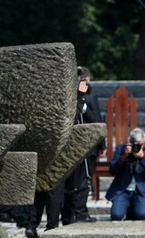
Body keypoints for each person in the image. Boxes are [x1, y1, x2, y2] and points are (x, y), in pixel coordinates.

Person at [61, 66, 103, 225]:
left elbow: (97, 120)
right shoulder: (71, 98)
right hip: (72, 147)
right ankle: (70, 213)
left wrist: (101, 145)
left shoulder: (91, 97)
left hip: (88, 146)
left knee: (84, 180)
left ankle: (81, 212)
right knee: (72, 183)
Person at [105, 128, 145, 220]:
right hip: (123, 190)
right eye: (134, 144)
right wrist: (123, 157)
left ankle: (133, 209)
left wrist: (142, 157)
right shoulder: (121, 149)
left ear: (144, 142)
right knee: (116, 216)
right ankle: (126, 207)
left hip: (140, 191)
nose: (136, 147)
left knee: (142, 215)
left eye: (140, 144)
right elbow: (112, 170)